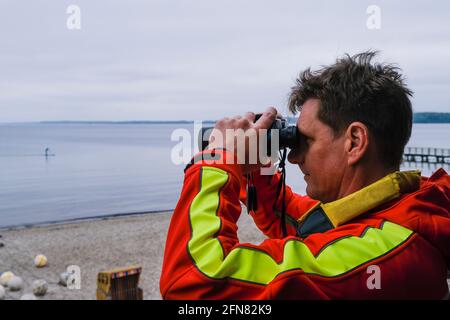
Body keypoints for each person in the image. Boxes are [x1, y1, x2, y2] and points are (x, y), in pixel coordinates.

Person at [160, 51, 450, 299]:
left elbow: (195, 281)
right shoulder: (392, 209)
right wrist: (256, 167)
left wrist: (219, 160)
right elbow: (290, 219)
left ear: (355, 142)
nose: (295, 156)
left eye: (305, 140)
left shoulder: (384, 255)